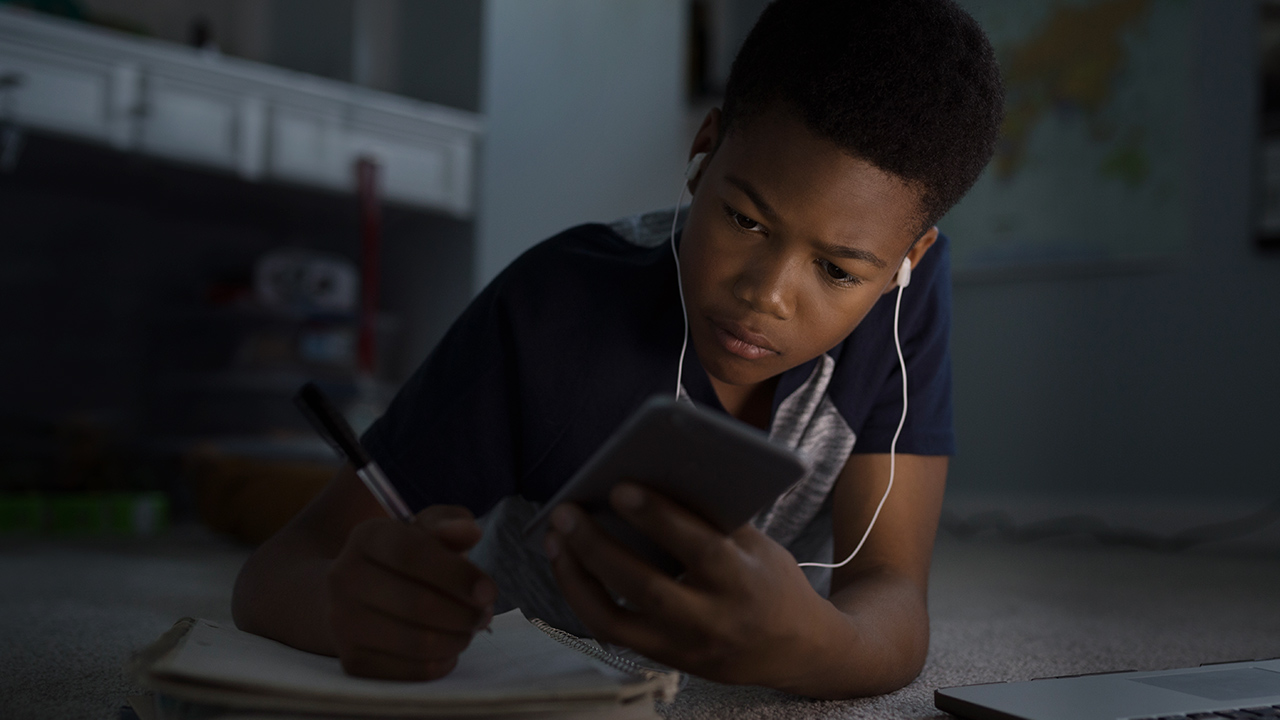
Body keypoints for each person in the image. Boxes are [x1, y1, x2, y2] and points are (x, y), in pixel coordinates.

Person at [232, 0, 1003, 700]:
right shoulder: (554, 314)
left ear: (908, 257)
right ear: (705, 151)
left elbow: (891, 593)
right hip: (539, 654)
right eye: (744, 220)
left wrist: (814, 646)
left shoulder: (902, 304)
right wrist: (347, 611)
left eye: (836, 271)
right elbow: (278, 571)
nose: (767, 294)